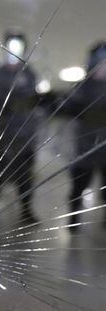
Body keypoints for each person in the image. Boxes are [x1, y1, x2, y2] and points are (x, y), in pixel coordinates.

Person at [0, 30, 38, 223]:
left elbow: (35, 102)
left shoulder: (30, 74)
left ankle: (26, 209)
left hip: (24, 134)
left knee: (24, 174)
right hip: (0, 132)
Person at [67, 41, 106, 231]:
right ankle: (73, 218)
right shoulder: (83, 87)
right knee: (79, 183)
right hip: (85, 143)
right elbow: (70, 108)